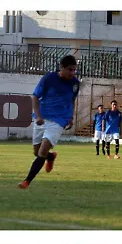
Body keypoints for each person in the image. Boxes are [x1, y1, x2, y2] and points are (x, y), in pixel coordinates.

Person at [19, 55, 80, 189]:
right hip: (42, 118)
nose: (72, 73)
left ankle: (26, 181)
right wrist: (38, 116)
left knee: (42, 151)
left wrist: (70, 117)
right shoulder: (49, 78)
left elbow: (72, 100)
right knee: (37, 152)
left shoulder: (75, 83)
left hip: (59, 120)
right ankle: (51, 157)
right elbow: (35, 97)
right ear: (62, 67)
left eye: (74, 70)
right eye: (70, 70)